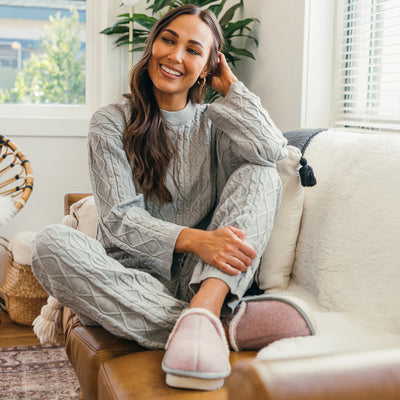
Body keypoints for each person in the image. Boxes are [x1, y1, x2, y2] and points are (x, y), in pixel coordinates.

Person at [31, 4, 315, 391]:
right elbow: (117, 221)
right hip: (127, 283)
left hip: (203, 279)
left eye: (194, 50)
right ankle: (218, 325)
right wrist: (199, 240)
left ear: (208, 66)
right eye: (168, 40)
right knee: (48, 244)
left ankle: (205, 309)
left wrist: (231, 87)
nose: (176, 56)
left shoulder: (216, 124)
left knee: (260, 172)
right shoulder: (111, 121)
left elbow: (271, 152)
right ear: (152, 44)